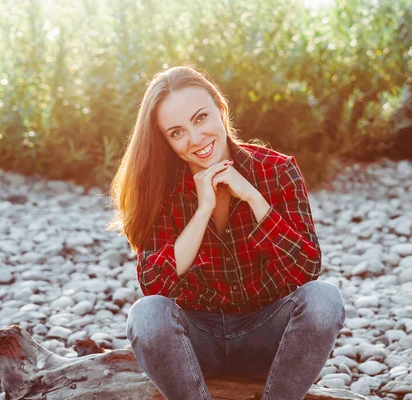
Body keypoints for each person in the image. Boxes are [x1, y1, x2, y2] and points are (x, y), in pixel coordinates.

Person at [106, 65, 345, 400]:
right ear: (165, 140)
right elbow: (155, 286)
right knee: (146, 316)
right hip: (195, 346)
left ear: (220, 108)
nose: (196, 139)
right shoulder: (159, 188)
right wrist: (202, 211)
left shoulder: (276, 169)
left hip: (268, 339)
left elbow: (306, 268)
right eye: (177, 132)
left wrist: (251, 196)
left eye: (201, 118)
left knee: (325, 300)